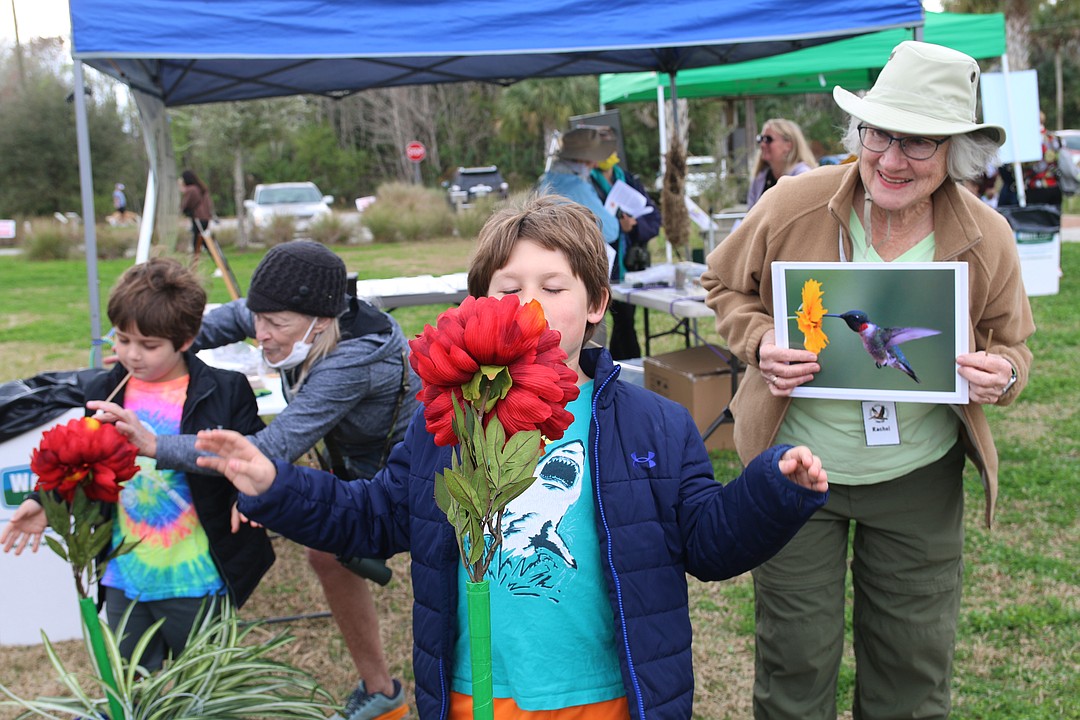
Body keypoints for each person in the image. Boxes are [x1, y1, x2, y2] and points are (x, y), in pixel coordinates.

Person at [192, 195, 830, 720]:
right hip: (479, 695)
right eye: (509, 287)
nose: (530, 304)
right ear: (478, 305)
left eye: (553, 287)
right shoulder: (447, 421)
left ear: (596, 305)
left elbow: (707, 543)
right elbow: (375, 517)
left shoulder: (653, 424)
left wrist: (774, 491)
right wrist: (276, 484)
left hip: (607, 697)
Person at [701, 41, 1035, 719]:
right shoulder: (795, 203)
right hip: (798, 466)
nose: (889, 159)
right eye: (879, 133)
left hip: (918, 476)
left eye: (918, 143)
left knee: (911, 669)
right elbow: (723, 285)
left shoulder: (987, 235)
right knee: (794, 658)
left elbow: (1013, 343)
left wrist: (1001, 374)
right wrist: (762, 339)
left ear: (955, 153)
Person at [89, 240, 416, 720]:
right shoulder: (286, 312)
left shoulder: (354, 362)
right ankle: (382, 691)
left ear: (321, 321)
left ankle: (410, 690)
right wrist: (156, 343)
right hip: (345, 463)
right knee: (326, 555)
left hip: (403, 475)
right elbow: (226, 320)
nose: (260, 333)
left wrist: (156, 445)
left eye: (276, 325)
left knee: (425, 574)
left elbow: (264, 453)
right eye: (259, 318)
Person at [0, 258, 273, 670]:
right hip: (124, 575)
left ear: (186, 340)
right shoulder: (103, 390)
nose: (131, 355)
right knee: (136, 683)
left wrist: (246, 495)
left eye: (148, 346)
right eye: (122, 340)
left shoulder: (225, 389)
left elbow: (253, 453)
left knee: (199, 686)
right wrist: (44, 500)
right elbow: (77, 457)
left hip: (197, 576)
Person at [589, 147, 662, 360]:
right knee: (600, 328)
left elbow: (653, 219)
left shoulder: (628, 180)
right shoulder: (586, 185)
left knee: (625, 324)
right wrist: (617, 226)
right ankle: (614, 370)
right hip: (599, 265)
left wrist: (633, 225)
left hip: (627, 266)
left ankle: (625, 372)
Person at [539, 127, 620, 247]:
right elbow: (609, 231)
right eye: (593, 158)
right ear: (581, 159)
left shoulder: (548, 178)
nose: (596, 164)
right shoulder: (576, 187)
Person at [745, 118, 818, 211]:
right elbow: (750, 217)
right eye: (760, 139)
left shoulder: (803, 176)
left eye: (768, 139)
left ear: (788, 145)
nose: (762, 145)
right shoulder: (760, 178)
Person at [180, 169, 213, 262]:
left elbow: (185, 205)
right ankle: (195, 264)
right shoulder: (201, 188)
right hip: (205, 218)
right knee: (204, 241)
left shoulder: (191, 190)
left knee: (200, 242)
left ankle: (195, 263)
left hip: (198, 218)